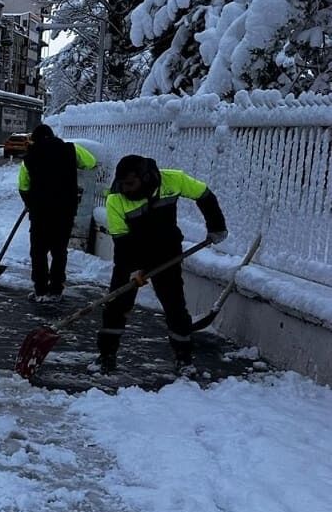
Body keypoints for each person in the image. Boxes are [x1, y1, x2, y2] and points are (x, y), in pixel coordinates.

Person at [95, 155, 228, 373]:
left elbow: (204, 195)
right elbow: (122, 242)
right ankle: (106, 356)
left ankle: (184, 359)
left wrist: (216, 226)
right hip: (131, 252)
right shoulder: (115, 199)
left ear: (145, 177)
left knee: (174, 304)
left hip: (167, 253)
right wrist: (133, 270)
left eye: (130, 183)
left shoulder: (173, 180)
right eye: (122, 184)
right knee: (117, 304)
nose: (125, 189)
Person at [17, 124, 98, 302]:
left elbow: (23, 185)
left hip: (40, 211)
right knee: (59, 251)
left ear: (35, 139)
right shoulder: (71, 149)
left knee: (38, 251)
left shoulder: (29, 157)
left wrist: (29, 202)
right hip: (65, 210)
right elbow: (91, 162)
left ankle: (40, 290)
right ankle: (56, 290)